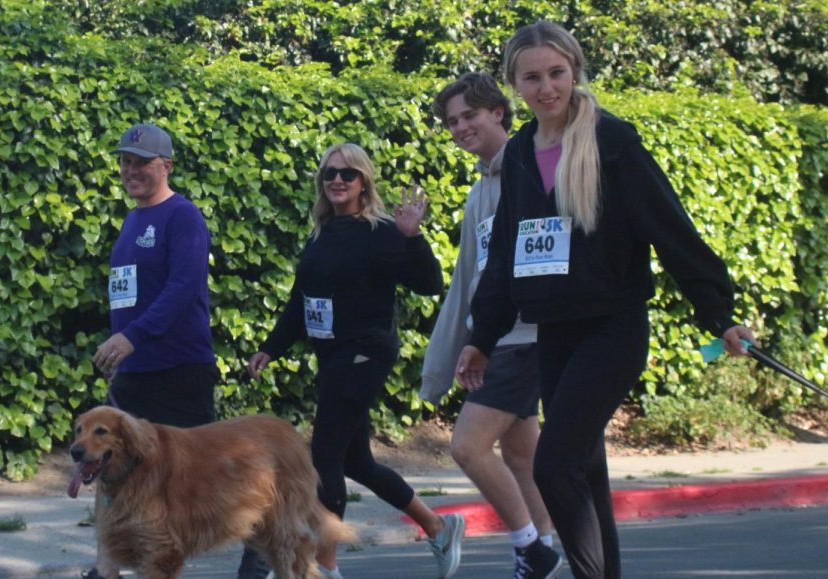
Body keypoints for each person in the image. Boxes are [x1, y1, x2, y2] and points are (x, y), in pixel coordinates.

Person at [455, 22, 758, 579]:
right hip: (556, 333)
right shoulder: (520, 153)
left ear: (574, 72)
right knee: (586, 471)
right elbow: (504, 259)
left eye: (557, 73)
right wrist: (481, 339)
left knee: (555, 465)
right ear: (513, 87)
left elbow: (672, 230)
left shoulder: (612, 141)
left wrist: (719, 316)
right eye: (532, 78)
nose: (546, 88)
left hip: (612, 329)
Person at [247, 143, 465, 579]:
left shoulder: (381, 230)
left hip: (365, 352)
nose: (337, 181)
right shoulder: (322, 232)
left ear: (364, 181)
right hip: (333, 355)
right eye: (329, 173)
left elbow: (427, 283)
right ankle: (438, 527)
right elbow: (300, 302)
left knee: (324, 454)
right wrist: (271, 347)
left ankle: (324, 565)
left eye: (347, 173)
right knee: (355, 461)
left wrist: (413, 237)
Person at [421, 73, 563, 579]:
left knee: (467, 446)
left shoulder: (532, 168)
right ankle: (545, 547)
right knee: (521, 458)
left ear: (499, 113)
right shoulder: (479, 191)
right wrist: (449, 354)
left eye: (470, 116)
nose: (460, 127)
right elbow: (467, 281)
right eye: (452, 121)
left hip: (527, 336)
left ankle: (530, 546)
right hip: (498, 339)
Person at [84, 123, 222, 579]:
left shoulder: (183, 216)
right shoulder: (132, 220)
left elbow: (183, 288)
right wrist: (119, 347)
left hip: (178, 369)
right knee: (113, 478)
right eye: (125, 161)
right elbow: (130, 295)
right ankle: (105, 570)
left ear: (167, 165)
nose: (131, 170)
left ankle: (264, 540)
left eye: (142, 162)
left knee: (196, 486)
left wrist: (132, 337)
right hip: (135, 372)